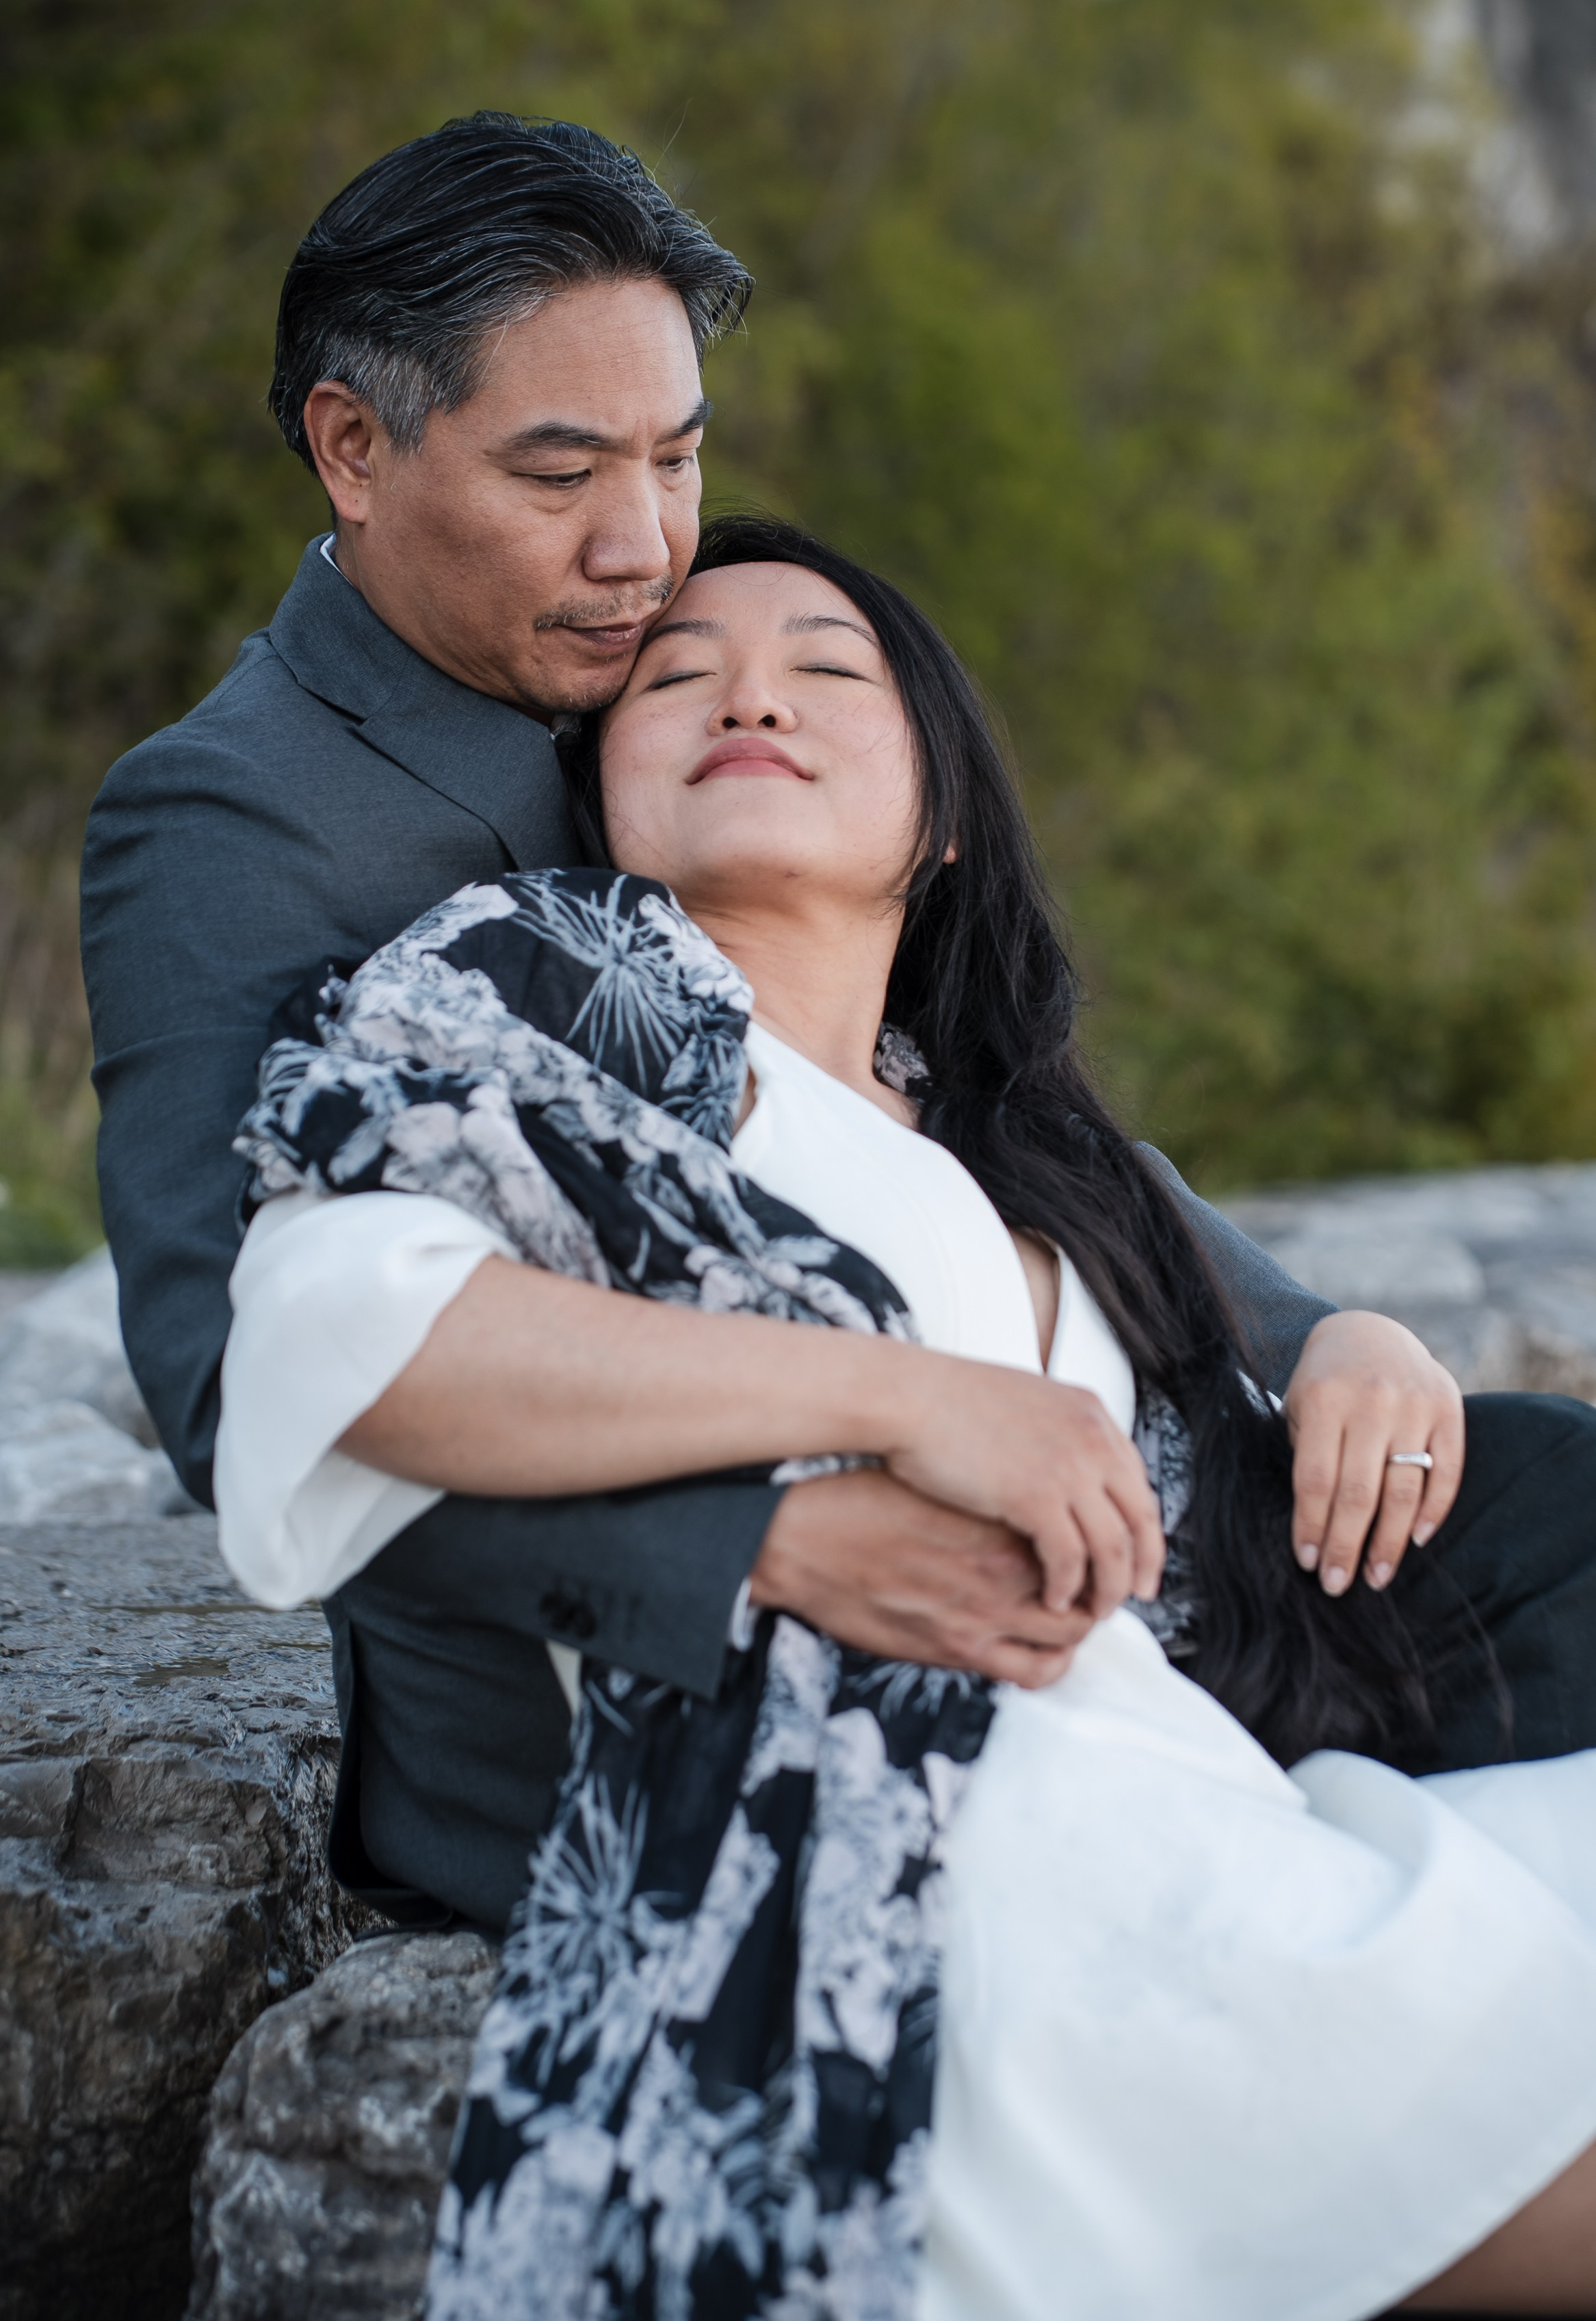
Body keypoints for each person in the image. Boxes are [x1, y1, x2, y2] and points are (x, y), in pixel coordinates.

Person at [82, 112, 1580, 1938]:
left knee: (1548, 1507)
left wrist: (1317, 1323)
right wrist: (764, 1553)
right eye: (561, 473)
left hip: (1063, 1503)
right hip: (616, 1690)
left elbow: (960, 1098)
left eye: (681, 456)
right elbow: (242, 1385)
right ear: (353, 448)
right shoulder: (236, 817)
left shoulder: (687, 663)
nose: (644, 546)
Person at [222, 519, 1596, 2319]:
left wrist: (1354, 1341)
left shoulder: (1006, 1127)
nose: (751, 693)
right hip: (922, 1837)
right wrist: (902, 1398)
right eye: (678, 672)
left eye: (826, 665)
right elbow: (347, 1339)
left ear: (942, 811)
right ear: (604, 784)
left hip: (1210, 1783)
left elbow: (1255, 1314)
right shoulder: (551, 984)